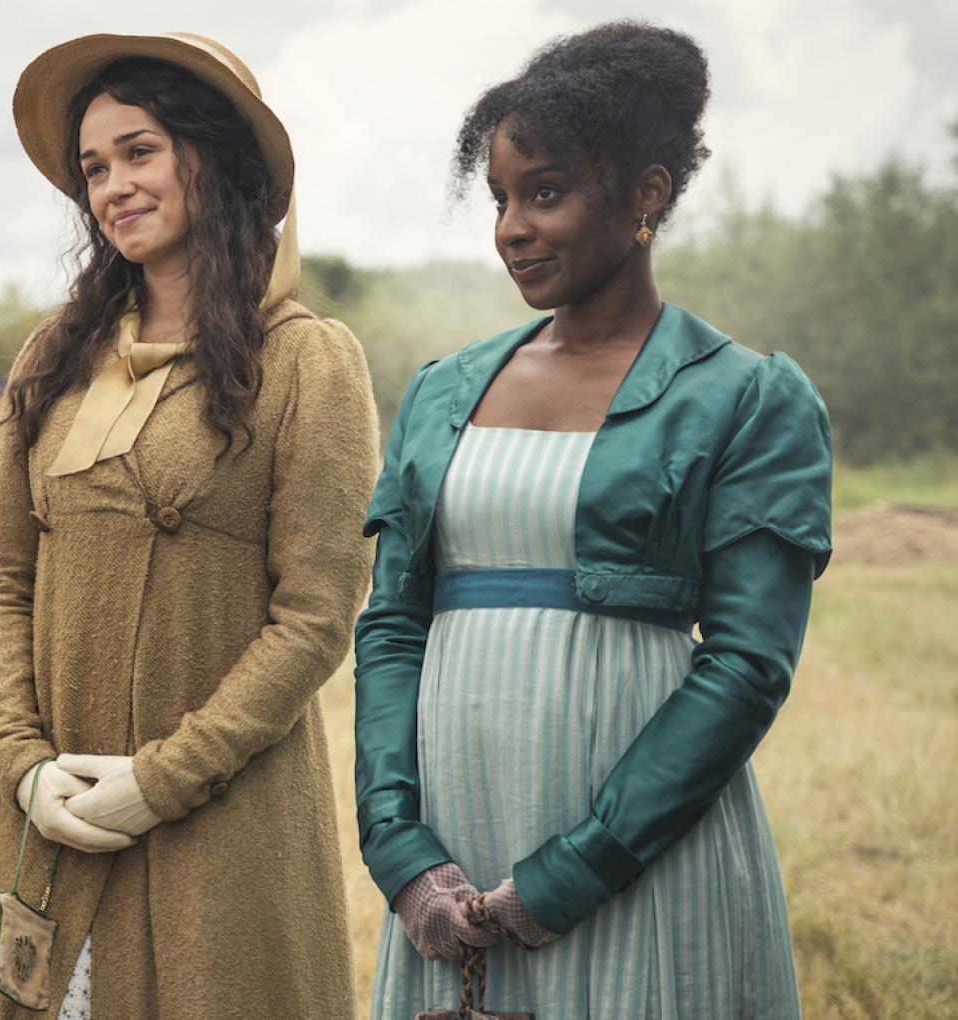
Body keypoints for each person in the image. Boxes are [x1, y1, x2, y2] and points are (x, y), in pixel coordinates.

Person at [357, 21, 832, 1019]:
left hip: (637, 846)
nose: (512, 228)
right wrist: (400, 849)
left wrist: (579, 866)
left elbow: (749, 664)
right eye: (499, 199)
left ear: (646, 195)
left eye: (546, 192)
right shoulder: (442, 394)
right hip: (454, 832)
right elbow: (393, 627)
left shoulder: (747, 398)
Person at [0, 32, 377, 1019]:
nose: (114, 186)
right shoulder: (52, 360)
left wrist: (163, 781)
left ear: (214, 158)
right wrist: (21, 764)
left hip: (220, 819)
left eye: (140, 152)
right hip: (53, 819)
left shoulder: (308, 363)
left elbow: (316, 618)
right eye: (94, 168)